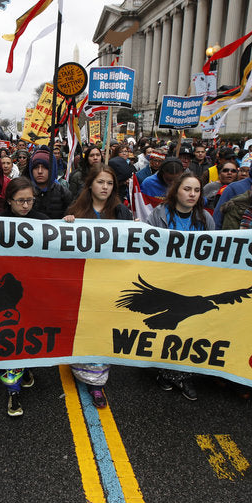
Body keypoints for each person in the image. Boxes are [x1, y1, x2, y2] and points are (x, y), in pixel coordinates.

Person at [64, 164, 132, 408]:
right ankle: (80, 369)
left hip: (111, 283)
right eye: (101, 182)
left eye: (109, 183)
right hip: (84, 283)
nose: (105, 187)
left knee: (103, 330)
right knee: (84, 328)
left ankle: (97, 383)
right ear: (90, 184)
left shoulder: (122, 212)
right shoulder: (77, 211)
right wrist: (67, 224)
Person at [145, 172, 214, 400]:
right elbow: (147, 247)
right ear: (176, 191)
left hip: (195, 285)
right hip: (167, 283)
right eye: (187, 189)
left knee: (189, 330)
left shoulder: (206, 218)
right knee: (170, 328)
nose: (192, 194)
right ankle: (166, 372)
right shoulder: (159, 214)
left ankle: (183, 376)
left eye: (196, 190)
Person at [0, 177, 44, 416]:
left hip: (34, 293)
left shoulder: (44, 222)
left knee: (27, 335)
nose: (26, 205)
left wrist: (68, 223)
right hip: (6, 295)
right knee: (9, 336)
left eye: (30, 200)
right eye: (20, 201)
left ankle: (24, 369)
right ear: (9, 200)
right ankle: (12, 392)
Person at [29, 149, 72, 220]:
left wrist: (69, 217)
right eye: (36, 167)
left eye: (45, 167)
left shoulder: (63, 193)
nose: (40, 171)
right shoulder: (24, 191)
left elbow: (72, 213)